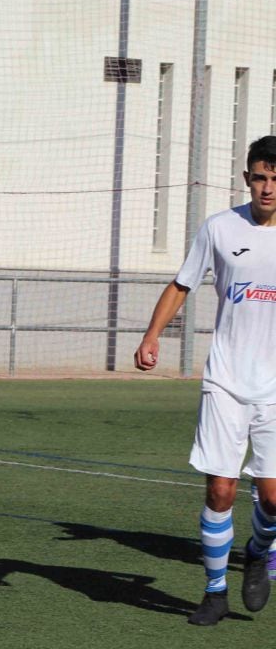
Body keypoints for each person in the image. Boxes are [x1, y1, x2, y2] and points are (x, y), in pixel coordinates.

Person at [135, 135, 276, 626]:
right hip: (226, 380)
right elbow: (182, 284)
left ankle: (259, 551)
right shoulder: (219, 227)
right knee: (220, 490)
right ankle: (214, 592)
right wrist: (152, 336)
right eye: (260, 177)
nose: (267, 188)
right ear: (246, 179)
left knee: (274, 498)